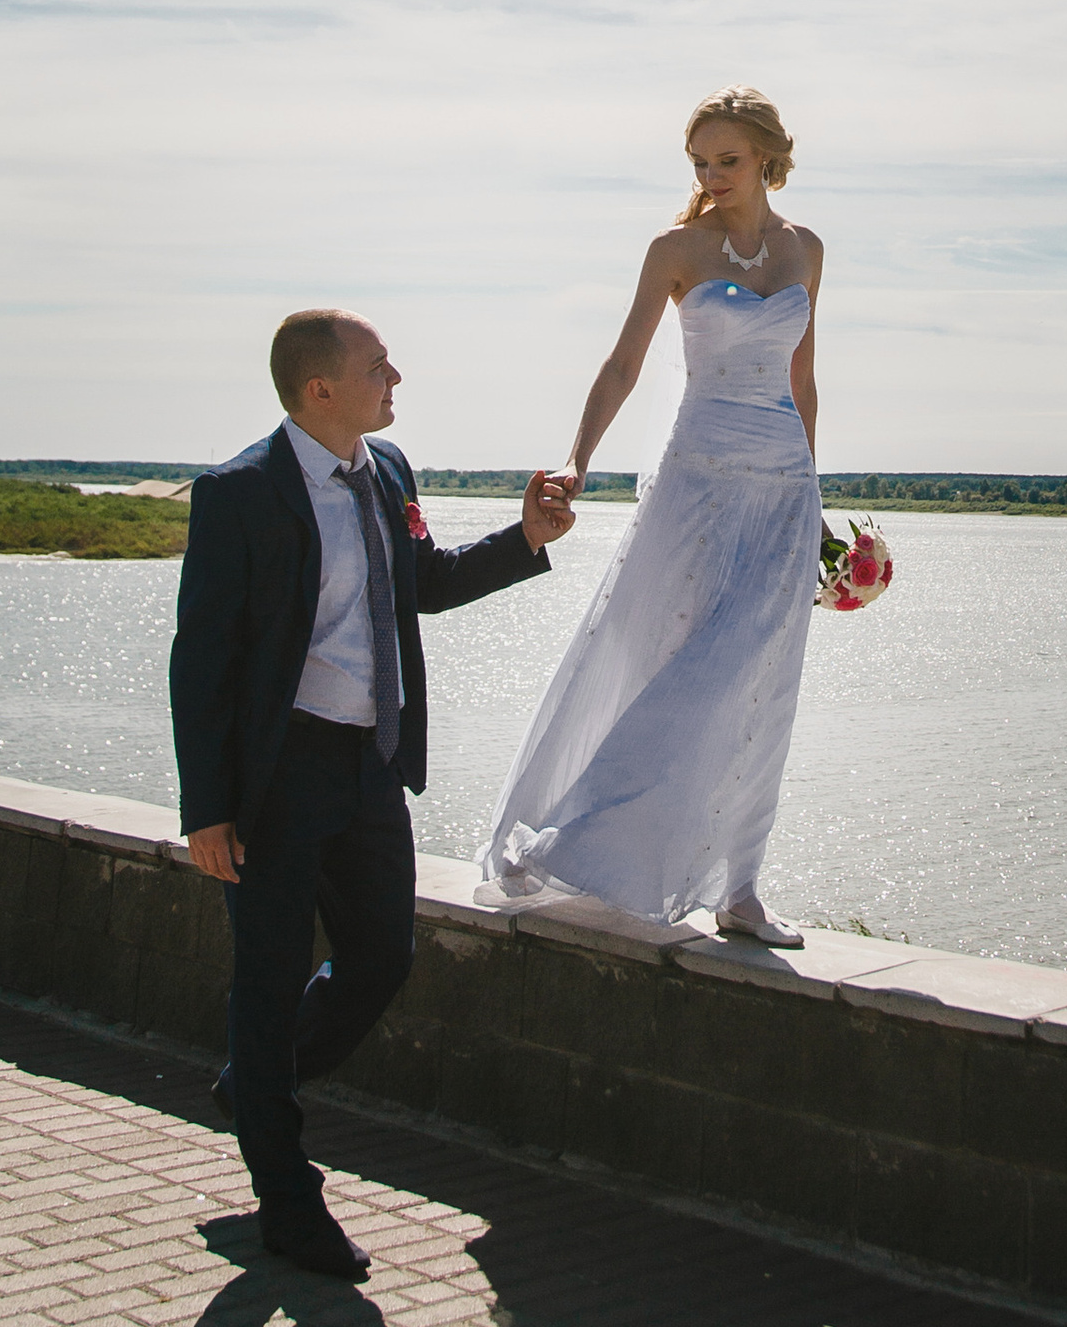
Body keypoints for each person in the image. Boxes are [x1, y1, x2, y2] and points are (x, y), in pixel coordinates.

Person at [169, 309, 574, 1282]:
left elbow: (422, 582)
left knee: (381, 958)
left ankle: (254, 1086)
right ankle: (288, 1201)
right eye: (378, 366)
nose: (396, 379)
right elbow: (202, 658)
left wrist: (524, 537)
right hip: (276, 776)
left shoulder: (387, 470)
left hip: (369, 764)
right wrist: (206, 808)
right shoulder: (238, 493)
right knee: (268, 981)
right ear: (320, 389)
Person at [480, 87, 822, 946]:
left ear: (769, 157)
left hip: (784, 488)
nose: (711, 176)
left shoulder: (807, 249)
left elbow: (803, 379)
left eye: (728, 161)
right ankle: (574, 839)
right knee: (684, 671)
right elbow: (623, 362)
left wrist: (813, 496)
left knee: (763, 682)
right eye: (699, 163)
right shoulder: (674, 250)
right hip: (697, 483)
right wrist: (577, 459)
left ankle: (740, 887)